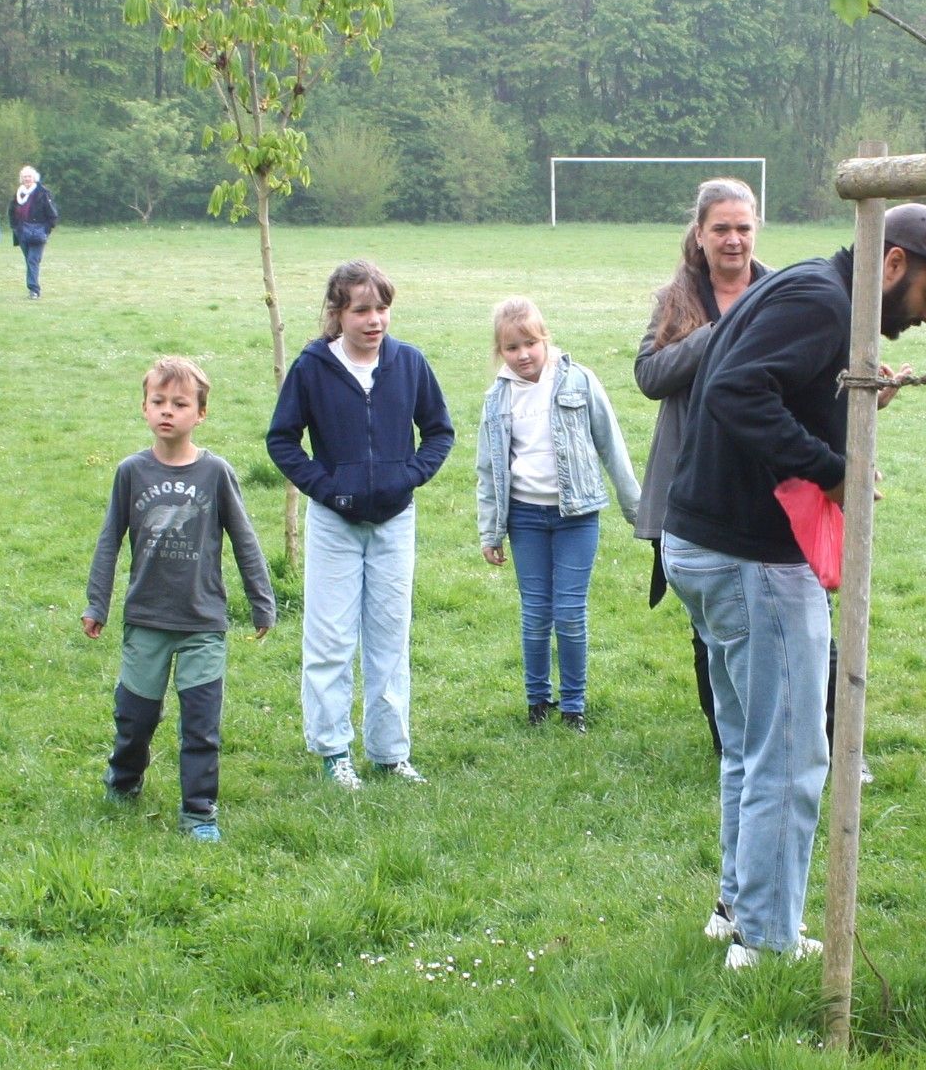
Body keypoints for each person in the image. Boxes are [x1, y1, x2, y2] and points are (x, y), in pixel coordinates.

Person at [661, 203, 926, 968]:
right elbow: (734, 390)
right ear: (892, 264)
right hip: (750, 556)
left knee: (748, 745)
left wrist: (843, 400)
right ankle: (764, 939)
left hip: (704, 541)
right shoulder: (823, 302)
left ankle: (737, 908)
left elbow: (770, 385)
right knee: (791, 755)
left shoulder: (809, 288)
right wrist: (837, 470)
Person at [267, 260, 454, 789]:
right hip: (333, 523)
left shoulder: (409, 364)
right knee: (329, 639)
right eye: (362, 310)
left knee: (390, 637)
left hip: (395, 520)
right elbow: (282, 439)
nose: (375, 320)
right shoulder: (312, 368)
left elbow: (438, 431)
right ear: (337, 313)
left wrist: (409, 478)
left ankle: (391, 753)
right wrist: (326, 488)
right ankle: (333, 752)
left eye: (382, 308)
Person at [84, 357, 275, 841]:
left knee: (201, 726)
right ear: (145, 408)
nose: (168, 412)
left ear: (200, 414)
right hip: (146, 619)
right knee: (135, 717)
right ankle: (123, 782)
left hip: (203, 623)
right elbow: (109, 540)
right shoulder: (131, 472)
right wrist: (97, 604)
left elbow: (244, 540)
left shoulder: (216, 473)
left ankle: (198, 813)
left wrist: (261, 601)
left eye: (180, 403)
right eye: (158, 402)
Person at [634, 178, 767, 755]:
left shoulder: (779, 291)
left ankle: (780, 735)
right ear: (700, 233)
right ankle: (727, 744)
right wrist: (715, 336)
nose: (733, 240)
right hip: (693, 483)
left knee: (768, 619)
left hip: (764, 482)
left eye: (743, 228)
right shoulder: (676, 299)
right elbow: (649, 376)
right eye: (722, 228)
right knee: (708, 626)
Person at [475, 297, 639, 730]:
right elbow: (488, 468)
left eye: (530, 342)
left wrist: (637, 509)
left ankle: (574, 706)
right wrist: (490, 532)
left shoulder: (579, 381)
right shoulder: (497, 398)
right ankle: (537, 701)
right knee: (535, 613)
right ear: (500, 352)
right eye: (512, 347)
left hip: (577, 516)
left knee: (568, 611)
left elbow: (612, 445)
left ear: (545, 339)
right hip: (525, 519)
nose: (523, 354)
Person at [9, 165, 59, 300]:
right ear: (21, 179)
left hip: (38, 232)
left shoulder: (43, 192)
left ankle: (34, 290)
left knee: (33, 260)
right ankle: (33, 287)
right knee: (29, 259)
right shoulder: (18, 194)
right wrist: (15, 227)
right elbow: (12, 211)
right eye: (24, 177)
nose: (27, 179)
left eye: (29, 176)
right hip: (22, 232)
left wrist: (46, 230)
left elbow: (52, 213)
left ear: (34, 178)